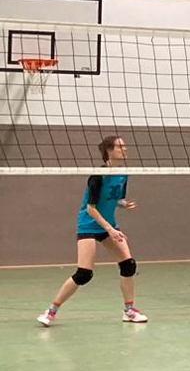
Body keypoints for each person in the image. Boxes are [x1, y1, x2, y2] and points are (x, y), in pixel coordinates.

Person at [38, 136, 148, 326]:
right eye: (120, 146)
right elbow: (90, 208)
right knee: (84, 274)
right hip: (89, 225)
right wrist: (110, 230)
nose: (125, 149)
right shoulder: (98, 175)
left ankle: (129, 310)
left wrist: (123, 204)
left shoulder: (124, 174)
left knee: (128, 265)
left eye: (124, 146)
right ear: (109, 150)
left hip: (108, 225)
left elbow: (115, 198)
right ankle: (51, 311)